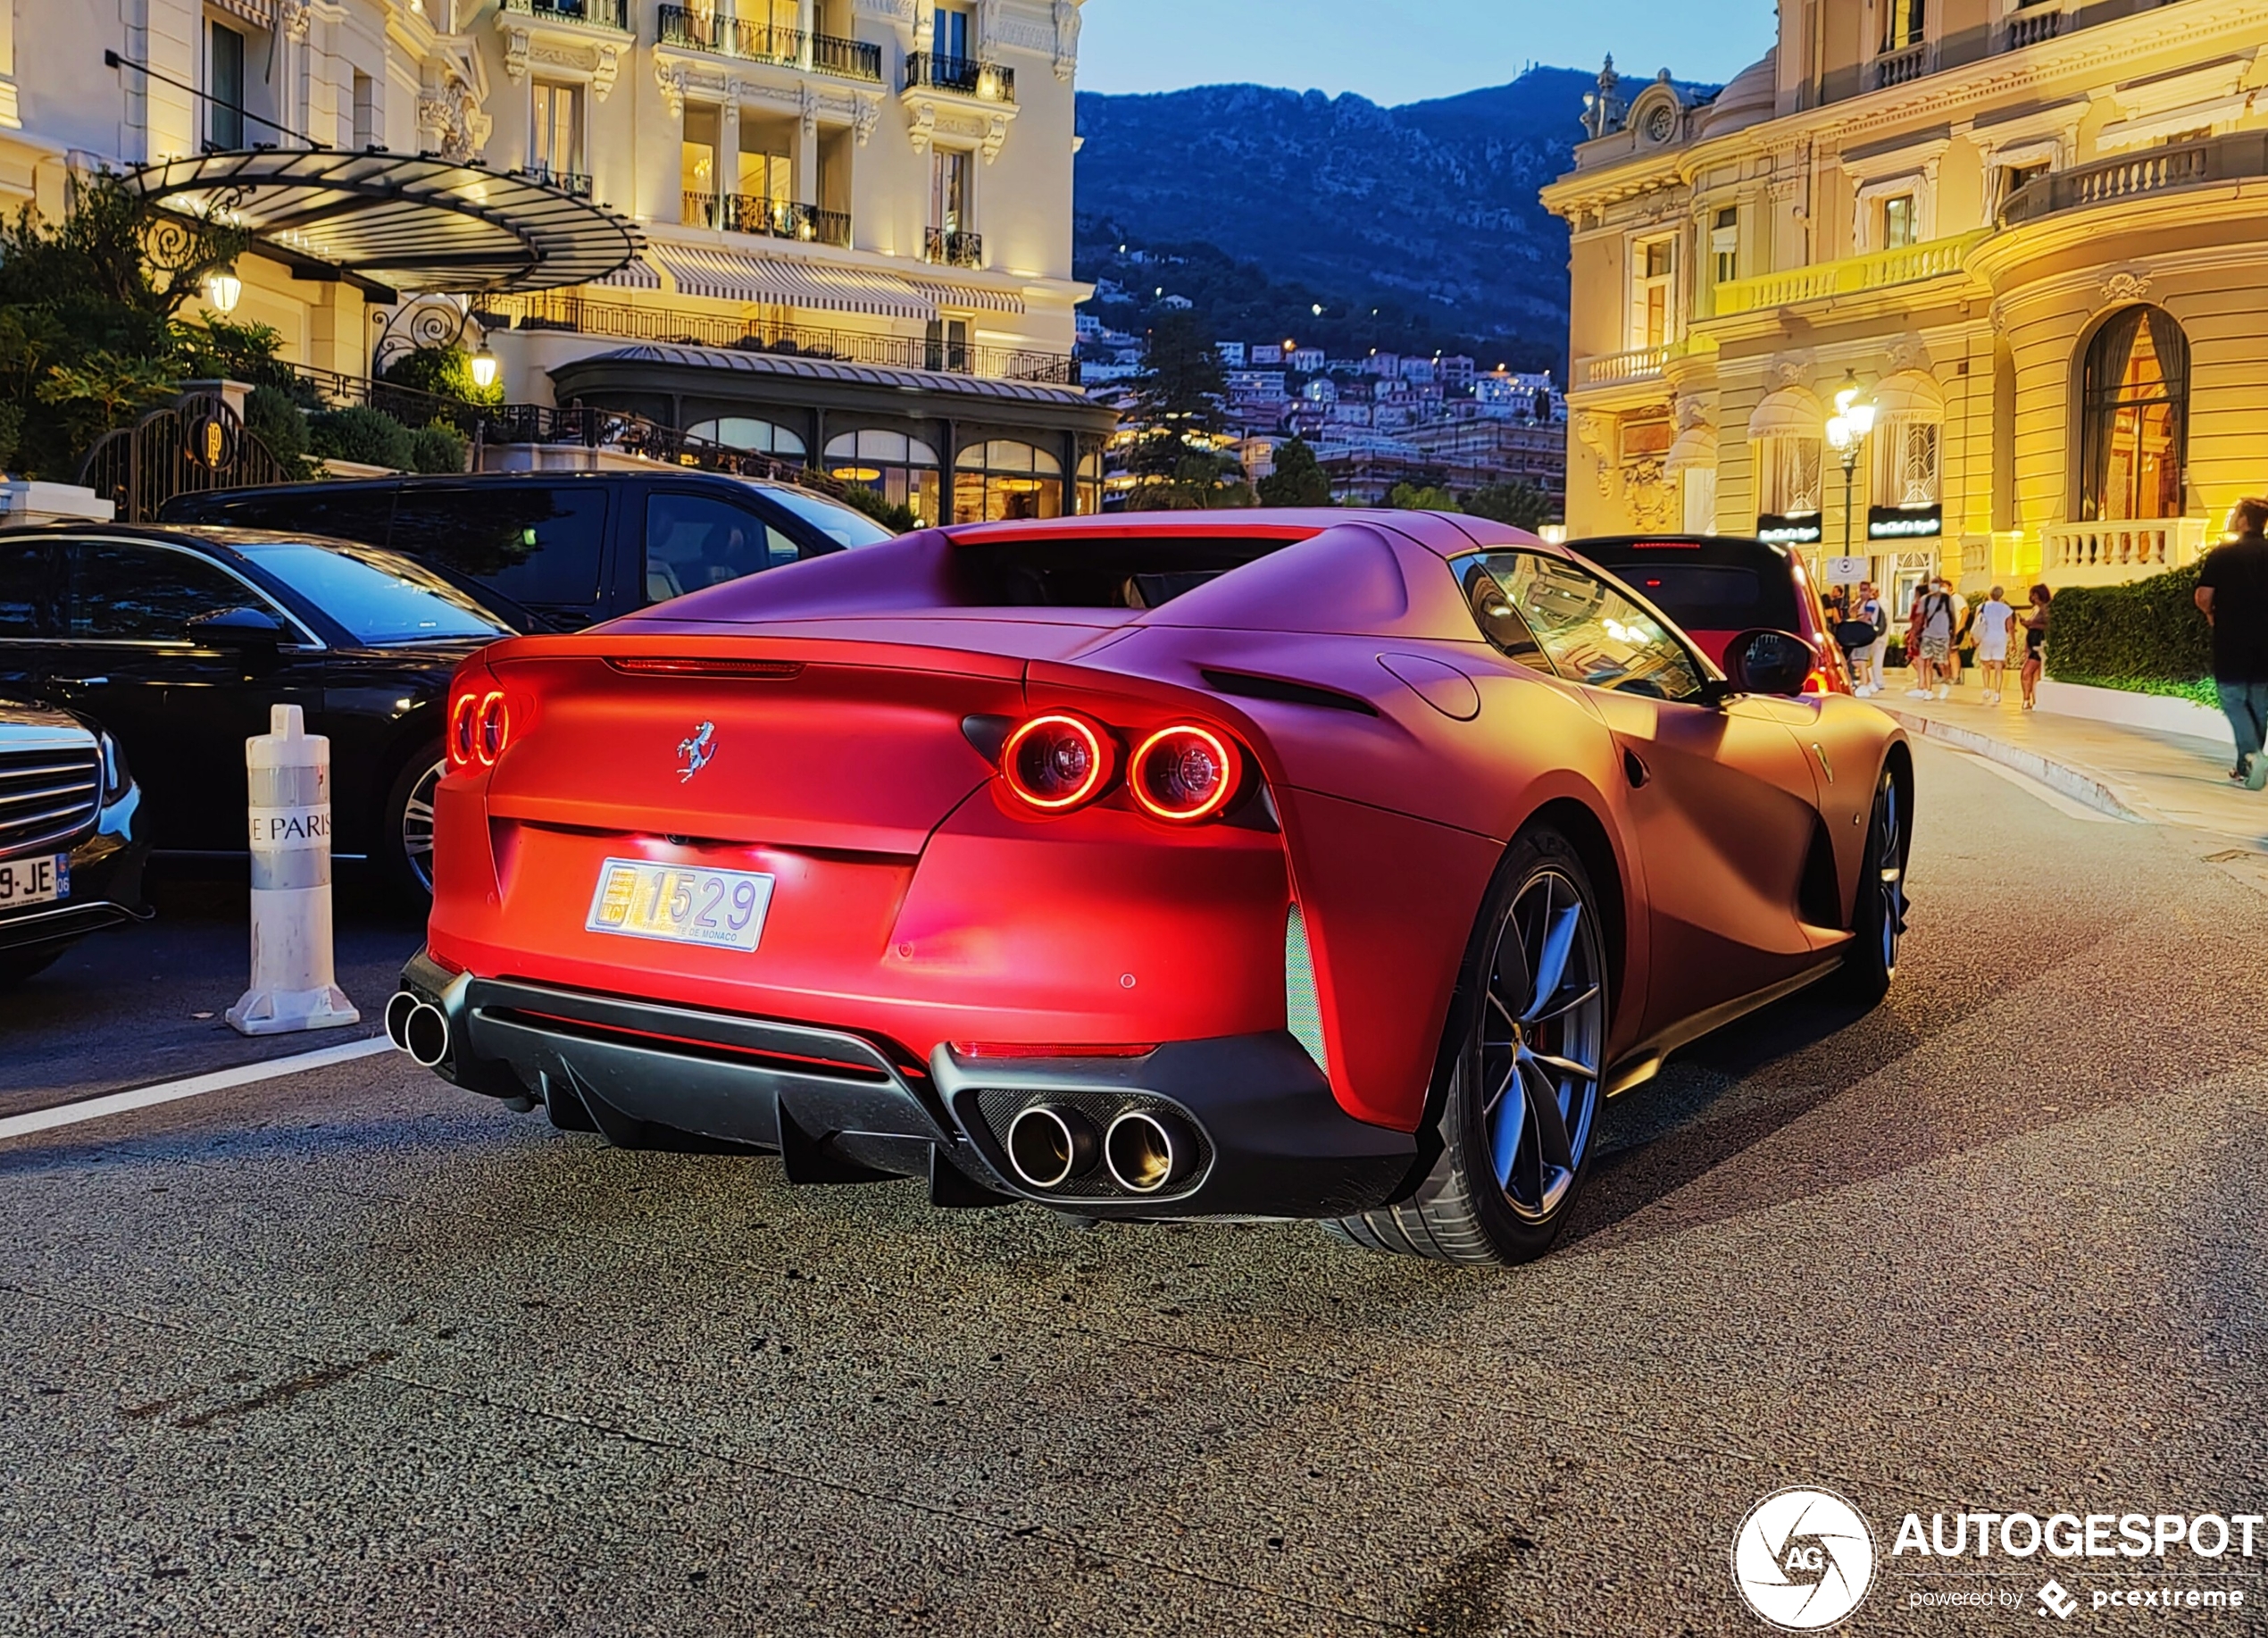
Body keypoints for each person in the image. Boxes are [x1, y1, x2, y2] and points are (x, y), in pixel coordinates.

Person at [2195, 497, 2268, 789]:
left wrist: (2210, 614)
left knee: (2234, 698)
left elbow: (2203, 596)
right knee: (2260, 703)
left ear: (2242, 521)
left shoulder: (2224, 555)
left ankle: (2252, 755)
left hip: (2233, 637)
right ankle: (2246, 766)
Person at [1908, 578, 1955, 698]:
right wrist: (1914, 634)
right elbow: (1920, 618)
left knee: (1942, 662)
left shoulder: (1947, 599)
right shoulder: (1925, 599)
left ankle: (1946, 681)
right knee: (1927, 661)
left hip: (1943, 634)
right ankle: (1928, 690)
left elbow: (1952, 616)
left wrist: (1953, 633)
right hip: (1928, 634)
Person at [1972, 585, 2015, 705]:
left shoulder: (1982, 606)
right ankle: (1997, 693)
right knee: (1998, 666)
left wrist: (1974, 638)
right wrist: (2013, 642)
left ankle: (1986, 688)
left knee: (1985, 665)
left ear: (1989, 594)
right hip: (2000, 638)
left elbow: (1976, 623)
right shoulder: (2006, 608)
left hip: (1986, 637)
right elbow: (2010, 626)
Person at [2019, 584, 2052, 711]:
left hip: (2039, 644)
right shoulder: (2036, 609)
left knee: (2026, 673)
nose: (2032, 597)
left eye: (2034, 594)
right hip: (2032, 643)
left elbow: (2048, 625)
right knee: (2034, 675)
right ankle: (2034, 701)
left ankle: (2026, 699)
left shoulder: (2045, 609)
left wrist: (2032, 624)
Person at [1861, 581, 1890, 698]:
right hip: (1871, 634)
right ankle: (1871, 681)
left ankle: (1878, 681)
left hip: (1878, 635)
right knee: (1867, 660)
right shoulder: (1868, 602)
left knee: (1877, 659)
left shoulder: (1881, 602)